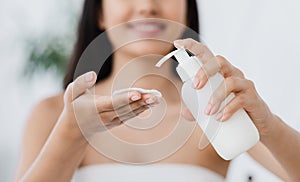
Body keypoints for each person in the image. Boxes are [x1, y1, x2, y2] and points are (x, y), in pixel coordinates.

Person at [15, 0, 299, 181]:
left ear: (187, 10)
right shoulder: (53, 116)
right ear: (99, 12)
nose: (147, 5)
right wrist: (71, 134)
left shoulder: (213, 108)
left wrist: (269, 126)